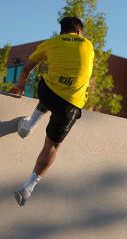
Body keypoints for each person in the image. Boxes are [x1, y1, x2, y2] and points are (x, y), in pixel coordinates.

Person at [9, 16, 94, 207]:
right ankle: (28, 187)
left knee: (49, 82)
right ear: (80, 32)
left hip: (47, 93)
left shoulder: (51, 43)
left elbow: (27, 67)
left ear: (62, 32)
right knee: (52, 147)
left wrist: (20, 85)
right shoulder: (88, 45)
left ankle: (28, 126)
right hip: (70, 106)